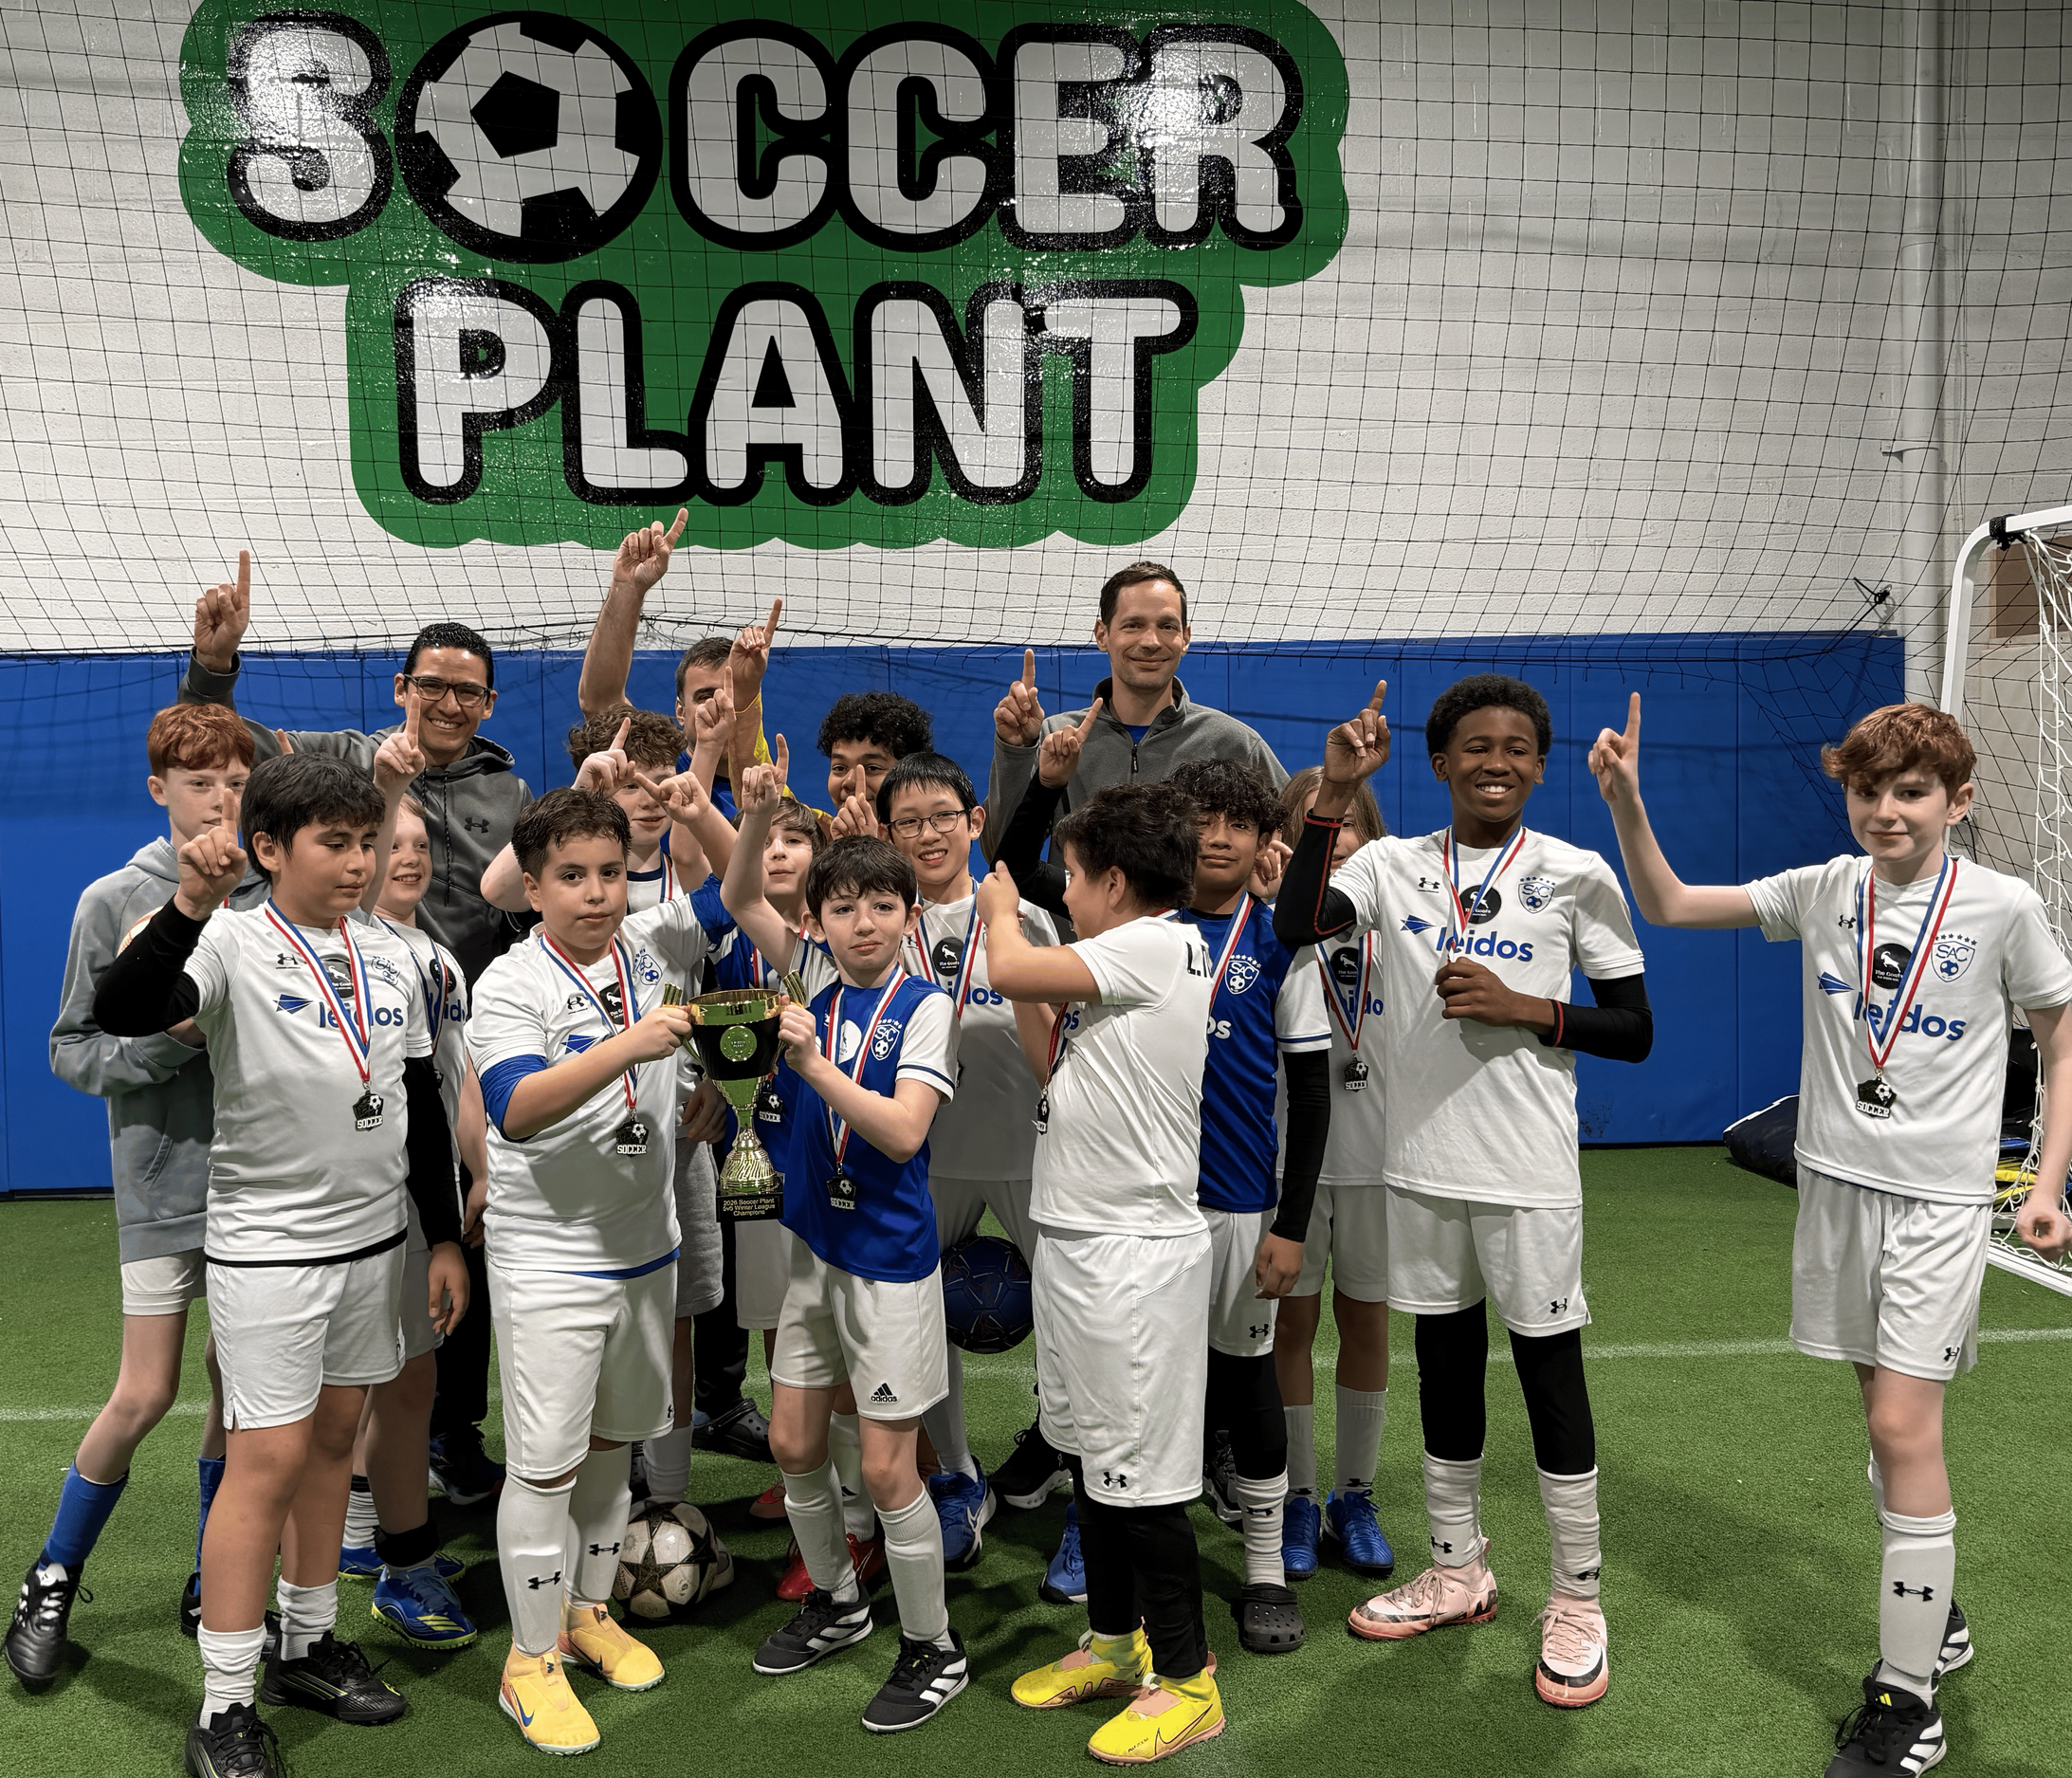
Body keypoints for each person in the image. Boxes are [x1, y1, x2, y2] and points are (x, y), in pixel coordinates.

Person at [1586, 695, 2072, 1774]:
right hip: (1832, 1191)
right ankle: (1933, 1615)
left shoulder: (2000, 905)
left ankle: (1907, 1701)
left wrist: (2048, 1178)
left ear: (1959, 800)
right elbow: (1665, 903)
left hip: (1939, 1206)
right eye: (1867, 791)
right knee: (1876, 1413)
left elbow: (2059, 1031)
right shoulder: (1821, 890)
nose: (1886, 811)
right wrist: (1625, 803)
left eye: (1910, 792)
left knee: (1904, 1427)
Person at [1274, 674, 1653, 1712]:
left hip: (1528, 1176)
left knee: (1548, 1378)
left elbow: (1634, 1028)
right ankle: (1456, 1566)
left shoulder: (1574, 874)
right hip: (1418, 1170)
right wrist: (1330, 798)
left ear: (1538, 762)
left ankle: (1576, 1597)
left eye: (1518, 746)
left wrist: (1530, 1009)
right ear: (1438, 763)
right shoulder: (1389, 864)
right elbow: (1297, 921)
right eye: (1475, 746)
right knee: (1442, 1368)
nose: (1496, 760)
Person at [89, 748, 467, 1778]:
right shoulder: (229, 944)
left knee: (335, 1445)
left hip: (374, 1246)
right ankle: (221, 1707)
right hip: (270, 1255)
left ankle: (307, 1643)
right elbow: (119, 1008)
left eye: (366, 843)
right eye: (333, 845)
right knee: (265, 1463)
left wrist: (440, 1234)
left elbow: (422, 1112)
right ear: (269, 849)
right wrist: (189, 902)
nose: (357, 863)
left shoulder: (394, 955)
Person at [183, 554, 531, 1506]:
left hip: (458, 1041)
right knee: (367, 1280)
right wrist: (214, 668)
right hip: (347, 1040)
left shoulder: (511, 792)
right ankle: (353, 1480)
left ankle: (451, 1440)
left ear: (489, 704)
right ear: (400, 688)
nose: (449, 704)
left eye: (468, 692)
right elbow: (224, 752)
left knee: (464, 1253)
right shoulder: (341, 759)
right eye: (432, 686)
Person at [468, 777, 737, 1756]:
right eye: (570, 877)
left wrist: (720, 1100)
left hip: (645, 1250)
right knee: (543, 1469)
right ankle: (526, 1663)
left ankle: (586, 1614)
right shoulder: (510, 984)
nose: (595, 893)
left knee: (618, 1445)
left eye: (609, 873)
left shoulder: (651, 952)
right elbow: (516, 1107)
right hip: (550, 1262)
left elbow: (740, 890)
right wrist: (635, 1041)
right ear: (530, 889)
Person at [6, 706, 259, 1688]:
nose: (221, 801)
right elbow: (72, 1049)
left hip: (260, 1193)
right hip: (163, 1183)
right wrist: (172, 1044)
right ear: (160, 790)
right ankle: (52, 1576)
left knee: (239, 1389)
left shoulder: (270, 892)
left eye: (237, 782)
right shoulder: (113, 898)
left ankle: (212, 1574)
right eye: (201, 783)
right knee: (146, 1390)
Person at [979, 784, 1227, 1766]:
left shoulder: (1155, 943)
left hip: (1132, 1261)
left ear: (1115, 883)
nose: (1064, 892)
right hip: (1082, 1244)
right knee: (1091, 1458)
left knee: (1145, 1484)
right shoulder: (1129, 962)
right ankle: (1118, 1646)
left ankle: (1189, 1679)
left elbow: (1005, 961)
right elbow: (1052, 1061)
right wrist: (1029, 972)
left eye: (1073, 879)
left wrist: (999, 913)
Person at [722, 754, 968, 1736]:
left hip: (890, 1263)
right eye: (844, 908)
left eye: (882, 905)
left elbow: (904, 1132)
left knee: (883, 1471)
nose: (862, 923)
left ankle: (932, 1645)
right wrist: (755, 817)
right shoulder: (808, 978)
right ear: (816, 920)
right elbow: (742, 889)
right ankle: (838, 1601)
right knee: (787, 1442)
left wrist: (813, 1067)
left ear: (909, 916)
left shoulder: (927, 1007)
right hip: (809, 1248)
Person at [875, 753, 1061, 1570]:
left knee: (1068, 1320)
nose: (927, 834)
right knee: (920, 1319)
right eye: (908, 822)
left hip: (1030, 1149)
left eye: (942, 816)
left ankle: (1074, 1461)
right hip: (932, 1159)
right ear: (887, 835)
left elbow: (1057, 1035)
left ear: (974, 820)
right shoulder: (882, 920)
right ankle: (955, 1475)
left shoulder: (1022, 916)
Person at [337, 793, 487, 1651]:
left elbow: (455, 1081)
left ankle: (380, 1542)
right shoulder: (350, 948)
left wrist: (475, 1176)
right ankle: (372, 1553)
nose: (406, 855)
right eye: (386, 842)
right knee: (367, 1381)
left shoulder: (435, 953)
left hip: (424, 1186)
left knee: (408, 1374)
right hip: (368, 1191)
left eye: (418, 842)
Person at [1269, 767, 1398, 1586]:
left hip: (1380, 1164)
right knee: (1290, 1328)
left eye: (1352, 824)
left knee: (1368, 1325)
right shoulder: (1275, 929)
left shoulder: (1402, 925)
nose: (1339, 838)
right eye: (1323, 827)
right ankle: (1294, 1495)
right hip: (1289, 1170)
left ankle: (1354, 1493)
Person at [982, 564, 1287, 862]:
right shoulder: (1057, 737)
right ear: (1102, 634)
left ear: (1186, 638)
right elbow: (1001, 855)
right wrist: (1018, 752)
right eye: (1133, 625)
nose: (1151, 642)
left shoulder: (1234, 742)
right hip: (1077, 914)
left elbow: (1295, 838)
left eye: (1167, 626)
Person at [570, 509, 779, 818]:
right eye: (705, 696)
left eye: (733, 696)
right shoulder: (658, 766)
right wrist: (628, 589)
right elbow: (599, 702)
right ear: (680, 710)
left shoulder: (771, 792)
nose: (720, 706)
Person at [819, 691, 934, 837]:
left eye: (872, 768)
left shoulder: (931, 847)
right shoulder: (810, 845)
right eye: (839, 768)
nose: (850, 781)